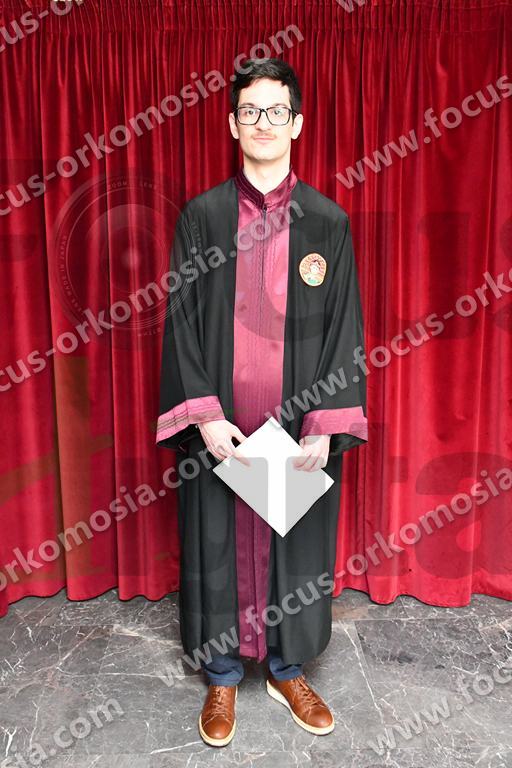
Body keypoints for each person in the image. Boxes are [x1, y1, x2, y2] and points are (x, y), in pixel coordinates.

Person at [155, 57, 368, 747]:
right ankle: (221, 675)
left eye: (277, 111)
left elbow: (344, 327)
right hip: (222, 433)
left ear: (297, 124)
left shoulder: (328, 223)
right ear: (233, 124)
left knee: (293, 545)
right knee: (217, 539)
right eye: (251, 111)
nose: (264, 123)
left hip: (296, 427)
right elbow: (182, 321)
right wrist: (205, 414)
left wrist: (324, 427)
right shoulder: (203, 217)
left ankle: (286, 668)